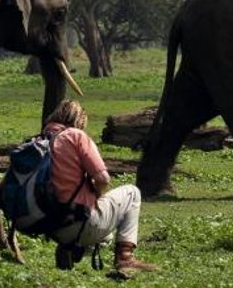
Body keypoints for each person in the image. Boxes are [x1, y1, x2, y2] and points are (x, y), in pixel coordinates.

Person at [42, 100, 156, 276]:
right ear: (79, 121)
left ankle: (71, 251)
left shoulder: (39, 140)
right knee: (132, 193)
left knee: (106, 235)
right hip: (78, 224)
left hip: (50, 228)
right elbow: (103, 179)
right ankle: (125, 257)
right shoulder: (75, 136)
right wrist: (97, 195)